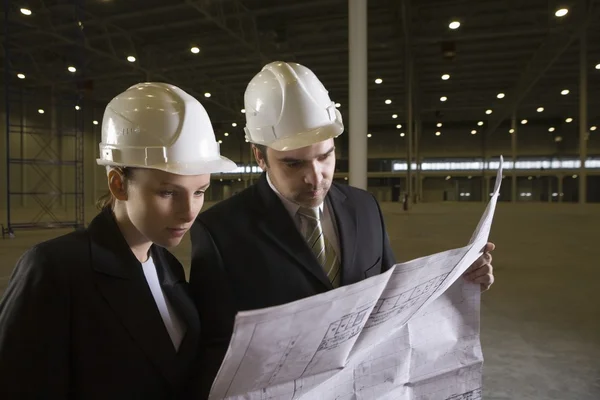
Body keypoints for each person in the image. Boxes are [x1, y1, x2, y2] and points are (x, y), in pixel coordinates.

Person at [187, 61, 495, 397]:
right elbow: (216, 347)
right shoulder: (220, 231)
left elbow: (392, 299)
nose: (315, 176)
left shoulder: (364, 208)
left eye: (325, 156)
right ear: (260, 156)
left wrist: (458, 281)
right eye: (294, 163)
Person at [0, 82, 237, 398]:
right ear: (118, 184)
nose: (188, 213)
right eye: (168, 192)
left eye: (199, 192)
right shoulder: (55, 269)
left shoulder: (168, 266)